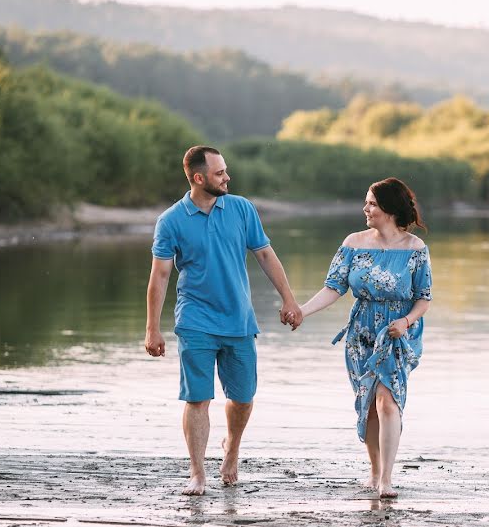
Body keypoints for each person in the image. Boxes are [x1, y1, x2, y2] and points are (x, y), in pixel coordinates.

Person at [144, 145, 302, 496]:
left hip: (239, 320)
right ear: (199, 178)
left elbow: (264, 254)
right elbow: (160, 277)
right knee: (197, 398)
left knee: (243, 397)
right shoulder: (171, 221)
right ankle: (197, 472)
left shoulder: (242, 209)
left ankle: (231, 448)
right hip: (195, 320)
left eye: (225, 171)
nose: (227, 177)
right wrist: (152, 328)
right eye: (219, 173)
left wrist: (288, 298)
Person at [295, 177, 432, 498]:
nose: (365, 208)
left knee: (388, 400)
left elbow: (424, 297)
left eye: (371, 203)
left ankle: (386, 478)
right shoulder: (353, 243)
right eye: (367, 202)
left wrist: (406, 320)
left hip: (398, 331)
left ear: (389, 209)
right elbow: (334, 287)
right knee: (369, 403)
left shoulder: (415, 248)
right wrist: (302, 311)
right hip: (362, 330)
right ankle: (374, 470)